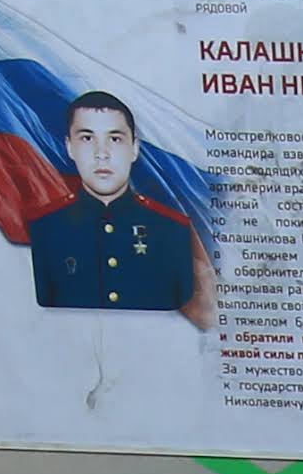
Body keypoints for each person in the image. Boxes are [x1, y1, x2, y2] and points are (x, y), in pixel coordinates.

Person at [27, 90, 213, 326]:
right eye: (87, 138)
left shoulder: (173, 230)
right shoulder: (44, 228)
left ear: (134, 148)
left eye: (115, 139)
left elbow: (197, 321)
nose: (101, 154)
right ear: (69, 147)